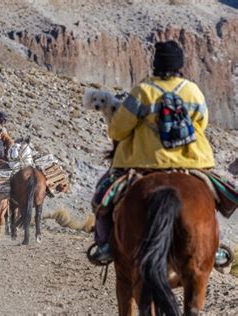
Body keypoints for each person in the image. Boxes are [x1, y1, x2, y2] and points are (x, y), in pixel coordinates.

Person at [89, 40, 229, 264]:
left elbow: (118, 129)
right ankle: (216, 248)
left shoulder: (143, 92)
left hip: (144, 163)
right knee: (213, 198)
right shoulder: (193, 91)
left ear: (155, 64)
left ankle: (105, 245)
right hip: (190, 162)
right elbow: (201, 124)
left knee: (103, 195)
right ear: (180, 65)